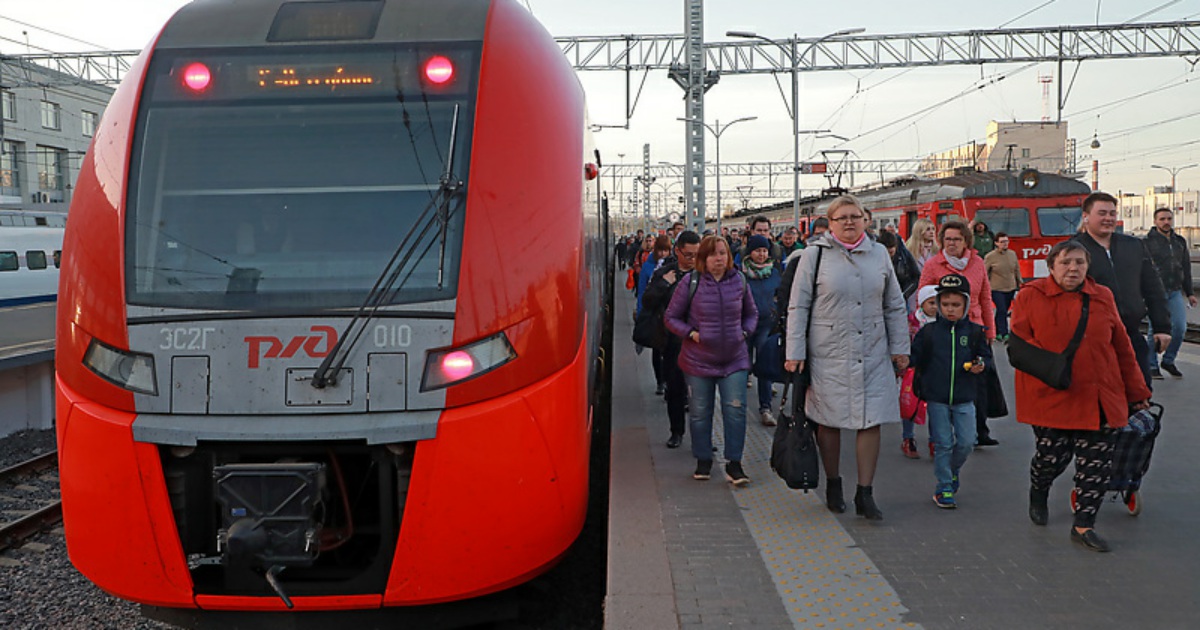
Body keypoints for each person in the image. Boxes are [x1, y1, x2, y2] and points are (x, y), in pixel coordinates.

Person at [1011, 240, 1152, 552]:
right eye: (1065, 263)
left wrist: (1137, 391)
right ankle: (1039, 488)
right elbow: (1020, 345)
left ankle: (1084, 524)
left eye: (1079, 263)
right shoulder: (1030, 296)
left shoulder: (1102, 296)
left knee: (1096, 465)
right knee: (1051, 457)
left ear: (1088, 267)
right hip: (1053, 394)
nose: (1073, 268)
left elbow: (1122, 347)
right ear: (1051, 267)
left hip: (1099, 395)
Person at [784, 195, 910, 520]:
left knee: (871, 420)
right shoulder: (814, 255)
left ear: (866, 221)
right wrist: (794, 352)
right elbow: (798, 305)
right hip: (829, 353)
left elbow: (895, 304)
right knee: (829, 422)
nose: (850, 222)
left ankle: (865, 493)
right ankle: (834, 484)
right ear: (831, 224)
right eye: (842, 218)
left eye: (856, 216)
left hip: (873, 351)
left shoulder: (879, 254)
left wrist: (900, 348)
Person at [664, 235, 758, 485]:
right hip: (698, 361)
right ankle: (703, 459)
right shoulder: (690, 283)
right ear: (703, 259)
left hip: (734, 359)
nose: (719, 259)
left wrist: (745, 332)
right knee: (699, 412)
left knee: (736, 410)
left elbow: (752, 314)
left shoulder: (739, 280)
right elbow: (671, 317)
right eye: (714, 254)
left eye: (723, 253)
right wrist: (692, 334)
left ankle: (735, 464)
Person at [1071, 191, 1170, 386]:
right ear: (1086, 217)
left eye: (1112, 213)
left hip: (1130, 333)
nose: (1108, 218)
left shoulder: (1133, 246)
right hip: (1091, 338)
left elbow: (1152, 287)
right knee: (1100, 395)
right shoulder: (1073, 250)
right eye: (1102, 213)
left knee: (1140, 390)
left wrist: (1162, 327)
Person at [911, 274, 991, 509]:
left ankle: (953, 470)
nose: (949, 310)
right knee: (943, 443)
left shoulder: (975, 332)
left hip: (965, 397)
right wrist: (903, 361)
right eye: (944, 304)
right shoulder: (929, 333)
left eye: (956, 305)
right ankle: (944, 486)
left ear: (966, 305)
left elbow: (985, 357)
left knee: (967, 441)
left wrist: (981, 365)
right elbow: (915, 356)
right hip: (936, 397)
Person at [919, 220, 999, 446]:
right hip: (945, 331)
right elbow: (923, 296)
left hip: (975, 328)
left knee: (979, 380)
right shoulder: (934, 264)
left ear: (966, 241)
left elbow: (985, 297)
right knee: (948, 378)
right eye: (947, 239)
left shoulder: (978, 263)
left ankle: (979, 430)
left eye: (956, 239)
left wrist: (990, 330)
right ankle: (942, 435)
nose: (951, 243)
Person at [643, 231, 702, 448]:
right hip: (673, 342)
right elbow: (648, 301)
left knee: (701, 392)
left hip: (701, 342)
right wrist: (663, 285)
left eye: (698, 254)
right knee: (675, 389)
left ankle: (702, 436)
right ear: (677, 251)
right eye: (689, 255)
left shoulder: (705, 273)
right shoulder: (665, 273)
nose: (694, 260)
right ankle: (676, 431)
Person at [1144, 208, 1196, 379]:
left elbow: (1185, 267)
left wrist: (1190, 292)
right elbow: (1142, 268)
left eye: (1169, 218)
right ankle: (1152, 365)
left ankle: (1168, 360)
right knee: (1154, 330)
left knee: (1180, 327)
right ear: (1155, 221)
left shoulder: (1179, 241)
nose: (1166, 222)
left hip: (1174, 291)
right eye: (1162, 219)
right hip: (1155, 292)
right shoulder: (1147, 242)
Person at [742, 234, 783, 427]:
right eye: (758, 250)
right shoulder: (740, 273)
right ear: (750, 252)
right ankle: (737, 405)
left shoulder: (774, 273)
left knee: (765, 366)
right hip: (745, 325)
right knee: (742, 366)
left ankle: (765, 408)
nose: (761, 254)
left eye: (764, 250)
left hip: (767, 324)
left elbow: (781, 294)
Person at [902, 285, 939, 459]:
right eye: (931, 302)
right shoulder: (912, 321)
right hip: (914, 370)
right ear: (922, 303)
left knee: (934, 407)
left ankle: (934, 441)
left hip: (934, 370)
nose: (935, 307)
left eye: (938, 303)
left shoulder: (943, 322)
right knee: (911, 405)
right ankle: (908, 438)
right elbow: (903, 342)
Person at [638, 235, 673, 394]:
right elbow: (642, 294)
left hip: (670, 313)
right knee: (657, 350)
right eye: (661, 250)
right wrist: (640, 317)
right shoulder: (647, 267)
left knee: (669, 351)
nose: (663, 254)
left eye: (666, 250)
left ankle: (667, 380)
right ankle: (660, 381)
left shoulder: (673, 266)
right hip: (655, 314)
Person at [984, 232, 1022, 341]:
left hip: (1010, 287)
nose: (1005, 244)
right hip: (996, 288)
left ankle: (996, 330)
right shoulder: (990, 257)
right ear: (996, 243)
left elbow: (1016, 269)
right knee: (1001, 309)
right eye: (1002, 242)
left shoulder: (1012, 254)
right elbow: (984, 273)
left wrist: (1020, 282)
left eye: (1006, 241)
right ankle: (1004, 333)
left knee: (1004, 310)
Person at [877, 231, 920, 308]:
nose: (889, 254)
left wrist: (903, 294)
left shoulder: (904, 255)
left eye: (891, 251)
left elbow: (915, 277)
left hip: (900, 299)